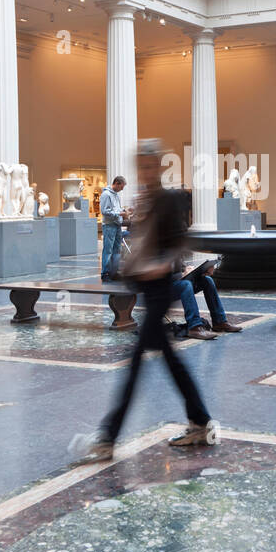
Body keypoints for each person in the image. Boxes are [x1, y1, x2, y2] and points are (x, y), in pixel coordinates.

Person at [79, 142, 218, 462]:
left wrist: (162, 263)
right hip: (147, 289)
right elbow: (141, 241)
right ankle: (200, 421)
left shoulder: (169, 199)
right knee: (171, 363)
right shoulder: (145, 200)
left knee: (136, 365)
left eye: (150, 165)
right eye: (141, 166)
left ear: (159, 167)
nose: (146, 171)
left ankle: (107, 438)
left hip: (159, 290)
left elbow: (182, 242)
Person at [172, 266, 243, 340]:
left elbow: (182, 267)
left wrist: (198, 272)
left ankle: (219, 322)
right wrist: (182, 274)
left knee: (207, 280)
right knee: (186, 284)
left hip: (176, 282)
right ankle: (194, 327)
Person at [100, 175, 127, 281]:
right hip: (109, 225)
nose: (122, 189)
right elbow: (105, 211)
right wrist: (120, 213)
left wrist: (124, 211)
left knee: (117, 250)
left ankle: (114, 272)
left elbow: (116, 209)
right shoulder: (106, 194)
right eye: (122, 187)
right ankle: (105, 273)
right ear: (116, 183)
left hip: (117, 225)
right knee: (108, 250)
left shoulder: (116, 195)